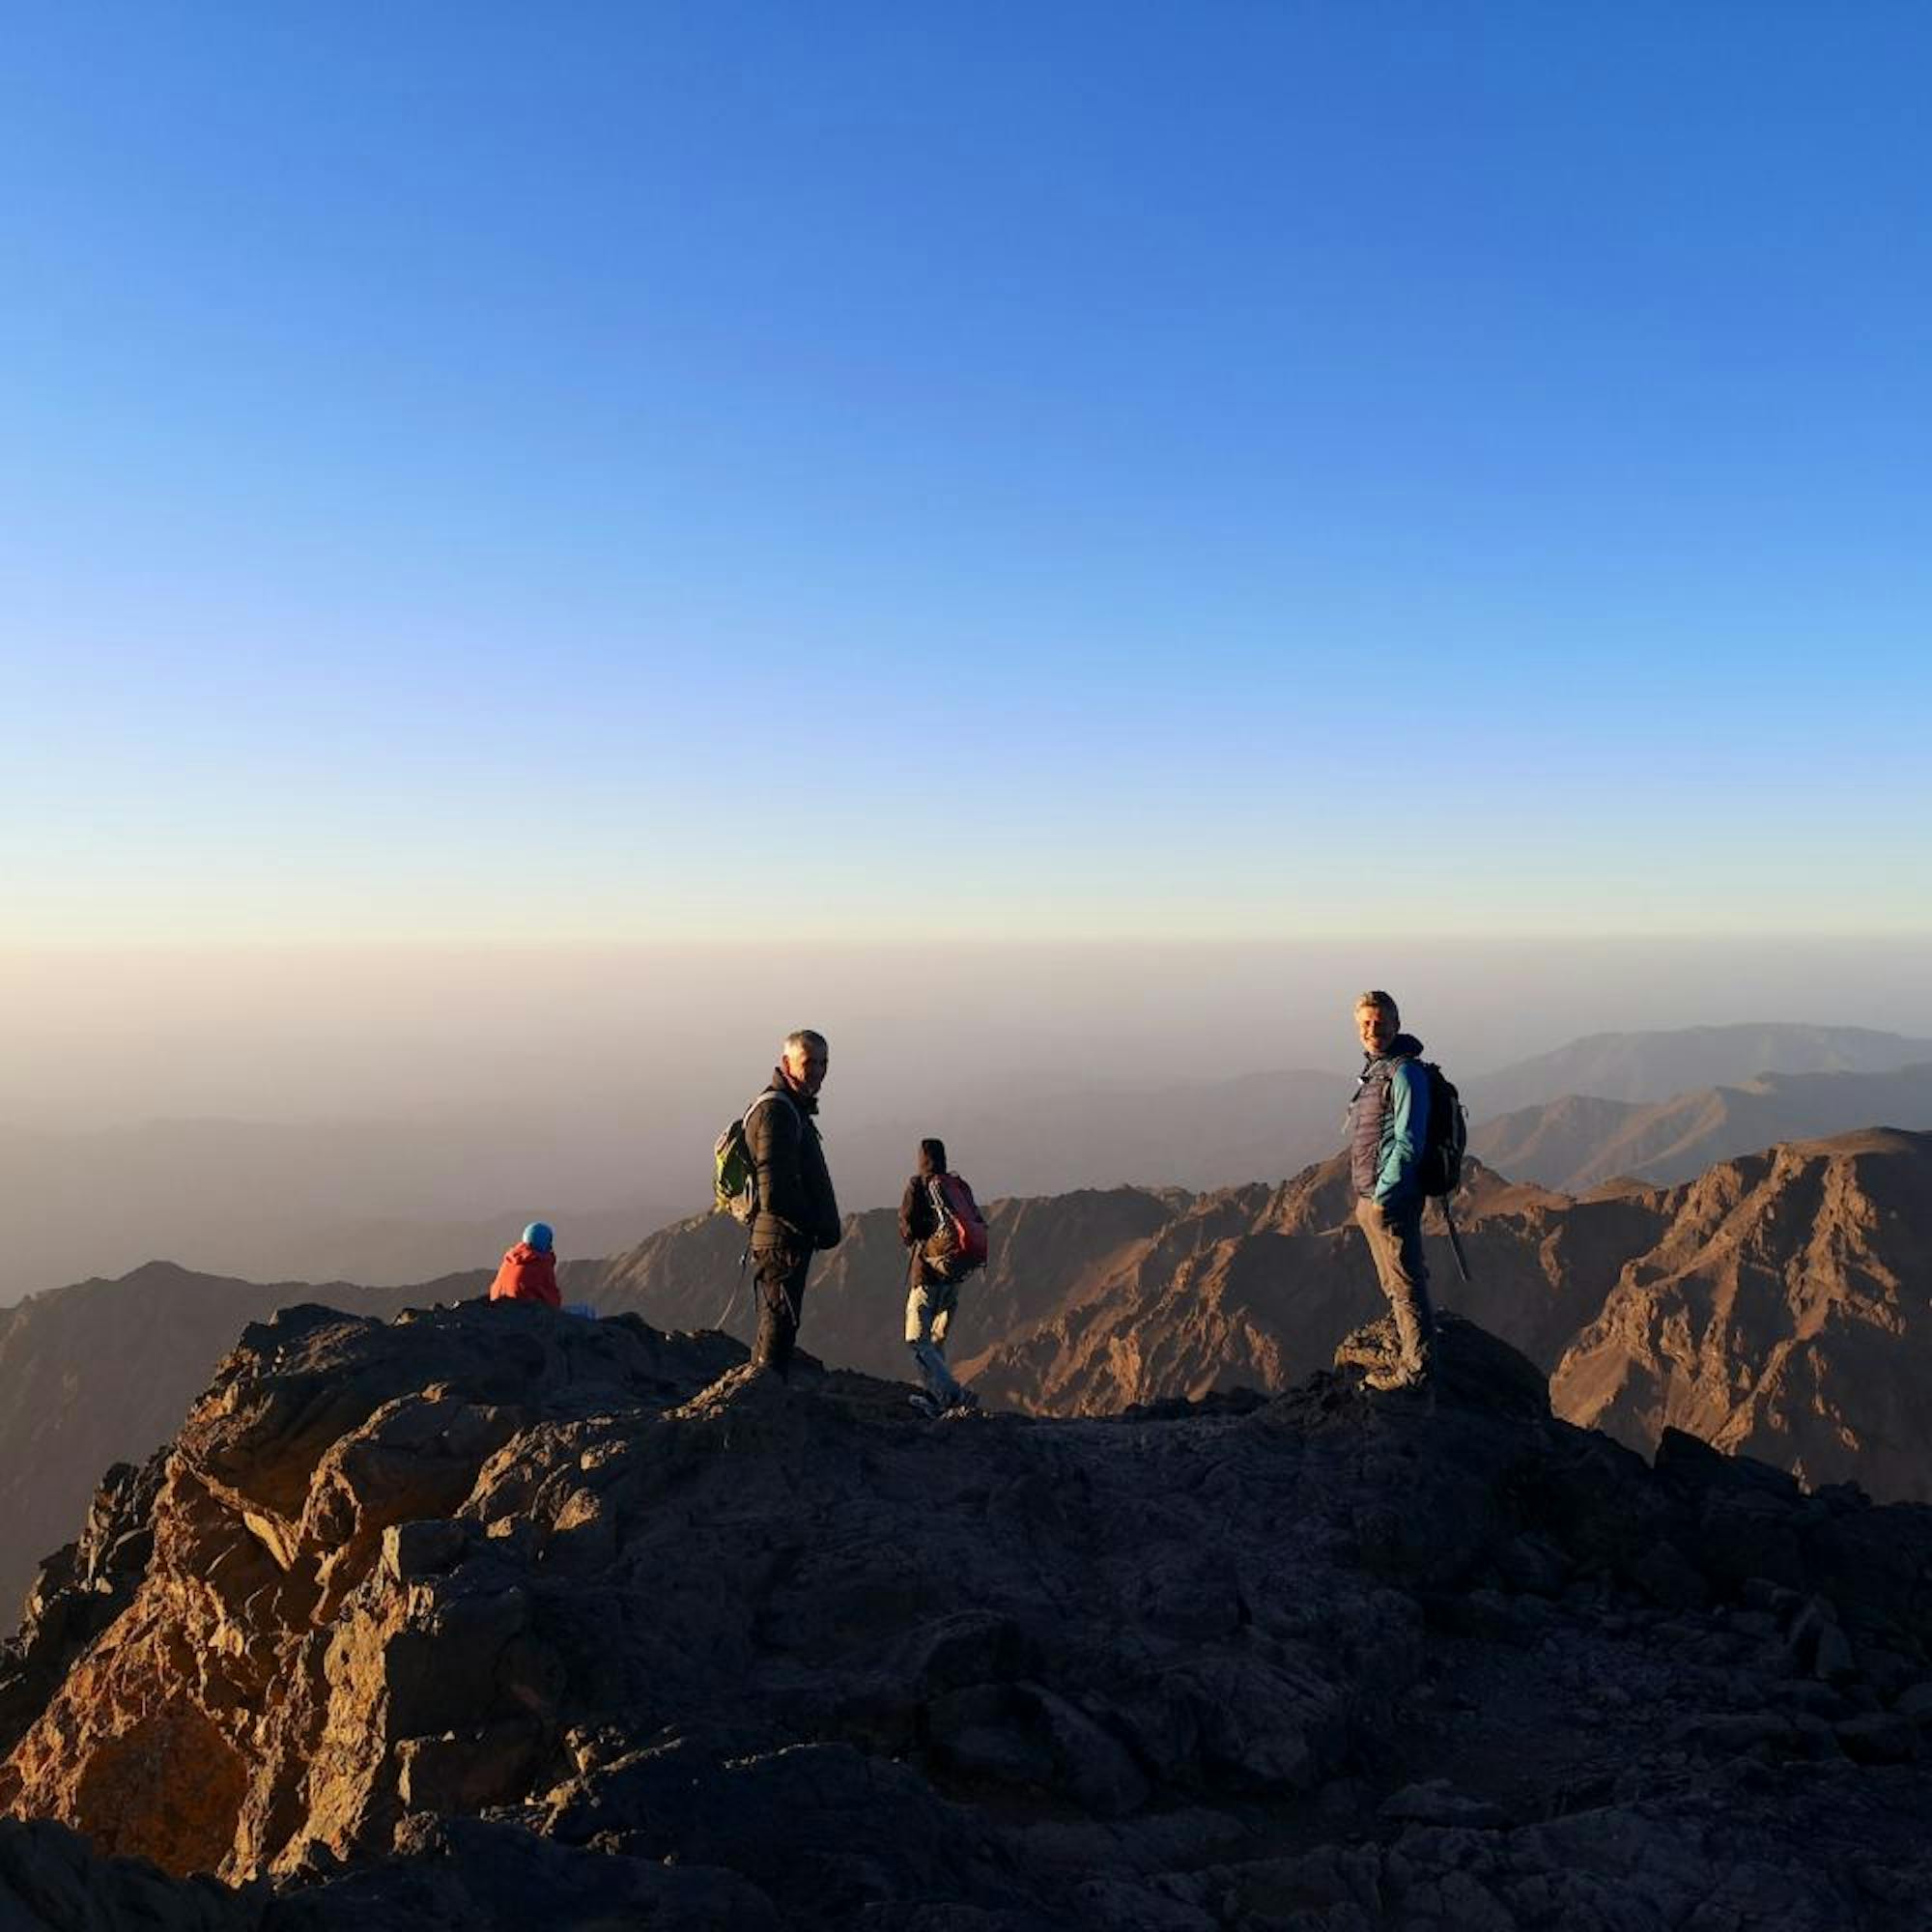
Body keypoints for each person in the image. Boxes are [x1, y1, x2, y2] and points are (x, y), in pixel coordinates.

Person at [1345, 991, 1435, 1389]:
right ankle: (1411, 1354)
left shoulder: (1404, 1073)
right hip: (1372, 1197)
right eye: (1365, 1023)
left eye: (1380, 1022)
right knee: (1393, 1283)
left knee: (1405, 1283)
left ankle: (1416, 1373)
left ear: (1396, 1025)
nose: (1372, 1030)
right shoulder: (1376, 1071)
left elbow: (1409, 1141)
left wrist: (1383, 1194)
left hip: (1390, 1199)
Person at [745, 1029, 841, 1378]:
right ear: (787, 1063)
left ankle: (766, 1398)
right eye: (809, 1062)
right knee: (776, 1335)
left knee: (781, 1328)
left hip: (785, 1244)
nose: (817, 1071)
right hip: (780, 1247)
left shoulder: (791, 1109)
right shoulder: (778, 1113)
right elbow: (776, 1194)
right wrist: (816, 1227)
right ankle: (764, 1407)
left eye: (823, 1063)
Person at [898, 1137, 979, 1415]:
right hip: (953, 1279)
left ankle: (952, 1396)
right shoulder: (955, 1186)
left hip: (927, 1277)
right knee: (935, 1343)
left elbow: (907, 1231)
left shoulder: (919, 1185)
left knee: (917, 1342)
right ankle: (937, 1400)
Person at [490, 1221, 559, 1308]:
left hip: (497, 1307)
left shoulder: (510, 1259)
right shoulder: (541, 1263)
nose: (550, 1247)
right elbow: (553, 1299)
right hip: (523, 1312)